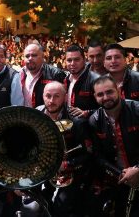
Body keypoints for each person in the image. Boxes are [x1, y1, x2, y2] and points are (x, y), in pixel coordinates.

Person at [36, 81, 92, 216]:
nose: (51, 101)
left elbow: (89, 154)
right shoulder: (36, 114)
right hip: (43, 170)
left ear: (65, 97)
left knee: (60, 209)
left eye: (56, 96)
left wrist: (66, 164)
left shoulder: (77, 121)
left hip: (69, 173)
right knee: (39, 206)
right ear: (43, 96)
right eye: (48, 96)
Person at [89, 75, 139, 216]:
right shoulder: (95, 120)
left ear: (118, 90)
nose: (105, 97)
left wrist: (137, 169)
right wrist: (121, 174)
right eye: (100, 94)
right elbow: (98, 156)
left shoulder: (136, 110)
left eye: (109, 92)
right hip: (120, 179)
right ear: (95, 97)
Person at [20, 43, 67, 108]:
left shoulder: (56, 74)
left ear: (42, 57)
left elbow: (64, 101)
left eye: (34, 55)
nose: (30, 58)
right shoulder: (19, 74)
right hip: (24, 116)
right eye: (27, 56)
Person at [64, 44, 99, 118]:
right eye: (69, 60)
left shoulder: (96, 80)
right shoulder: (65, 79)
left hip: (88, 126)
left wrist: (87, 113)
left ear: (84, 60)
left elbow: (107, 108)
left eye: (76, 59)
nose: (72, 63)